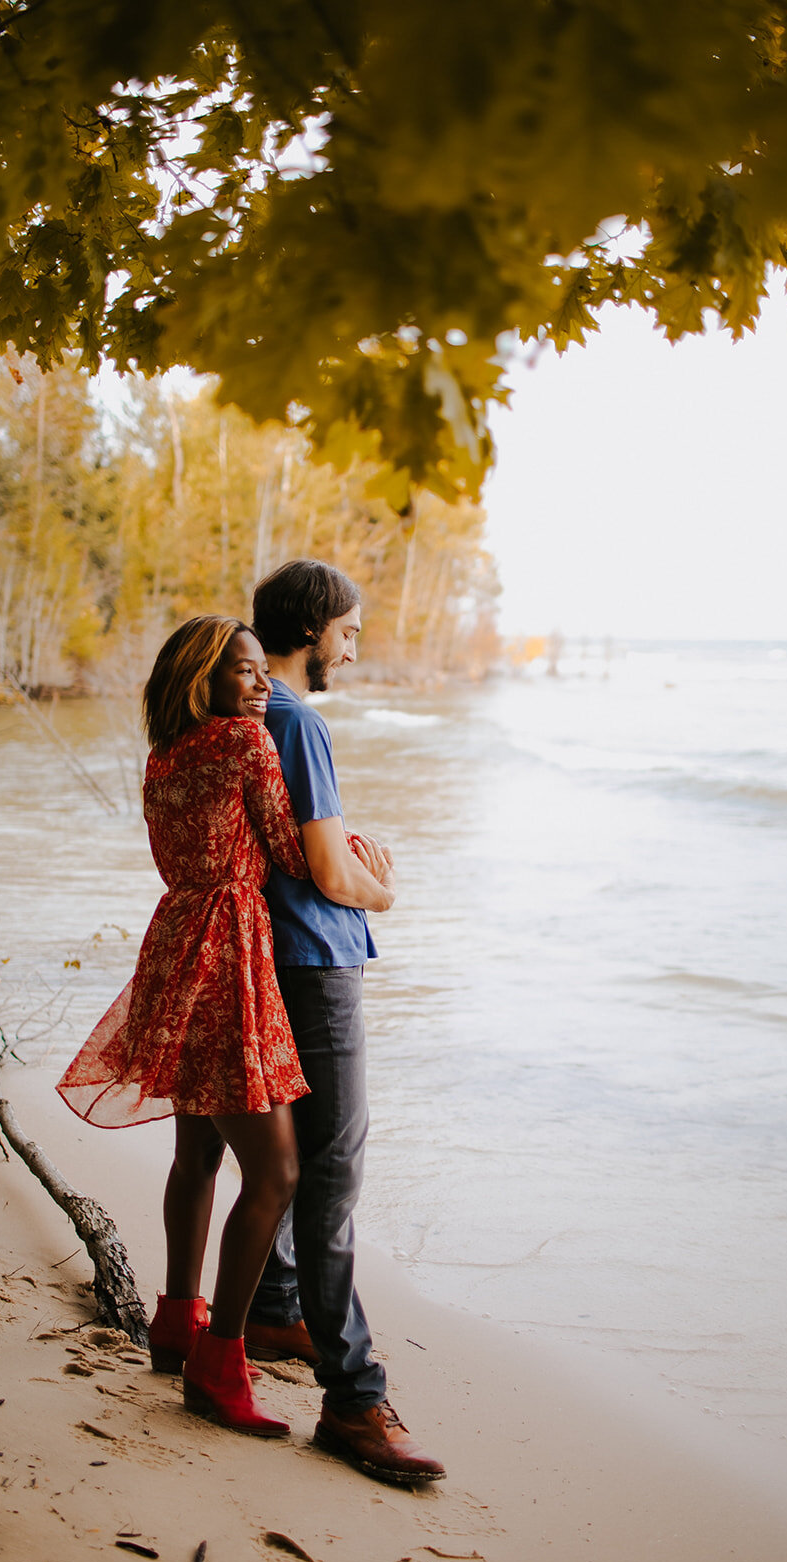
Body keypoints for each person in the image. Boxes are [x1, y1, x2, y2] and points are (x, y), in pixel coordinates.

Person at [56, 616, 312, 1439]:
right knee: (274, 1171)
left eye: (258, 669)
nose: (259, 682)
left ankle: (175, 1319)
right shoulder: (244, 744)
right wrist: (368, 865)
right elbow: (290, 853)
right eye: (241, 671)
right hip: (227, 945)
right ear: (203, 680)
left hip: (175, 938)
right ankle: (220, 1357)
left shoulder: (163, 756)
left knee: (197, 1149)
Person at [244, 558, 446, 1486]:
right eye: (350, 633)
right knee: (334, 1168)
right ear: (313, 626)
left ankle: (277, 1306)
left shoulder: (247, 716)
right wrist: (384, 892)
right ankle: (353, 1399)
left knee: (304, 1157)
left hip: (270, 955)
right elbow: (329, 875)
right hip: (318, 958)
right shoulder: (298, 722)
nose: (355, 651)